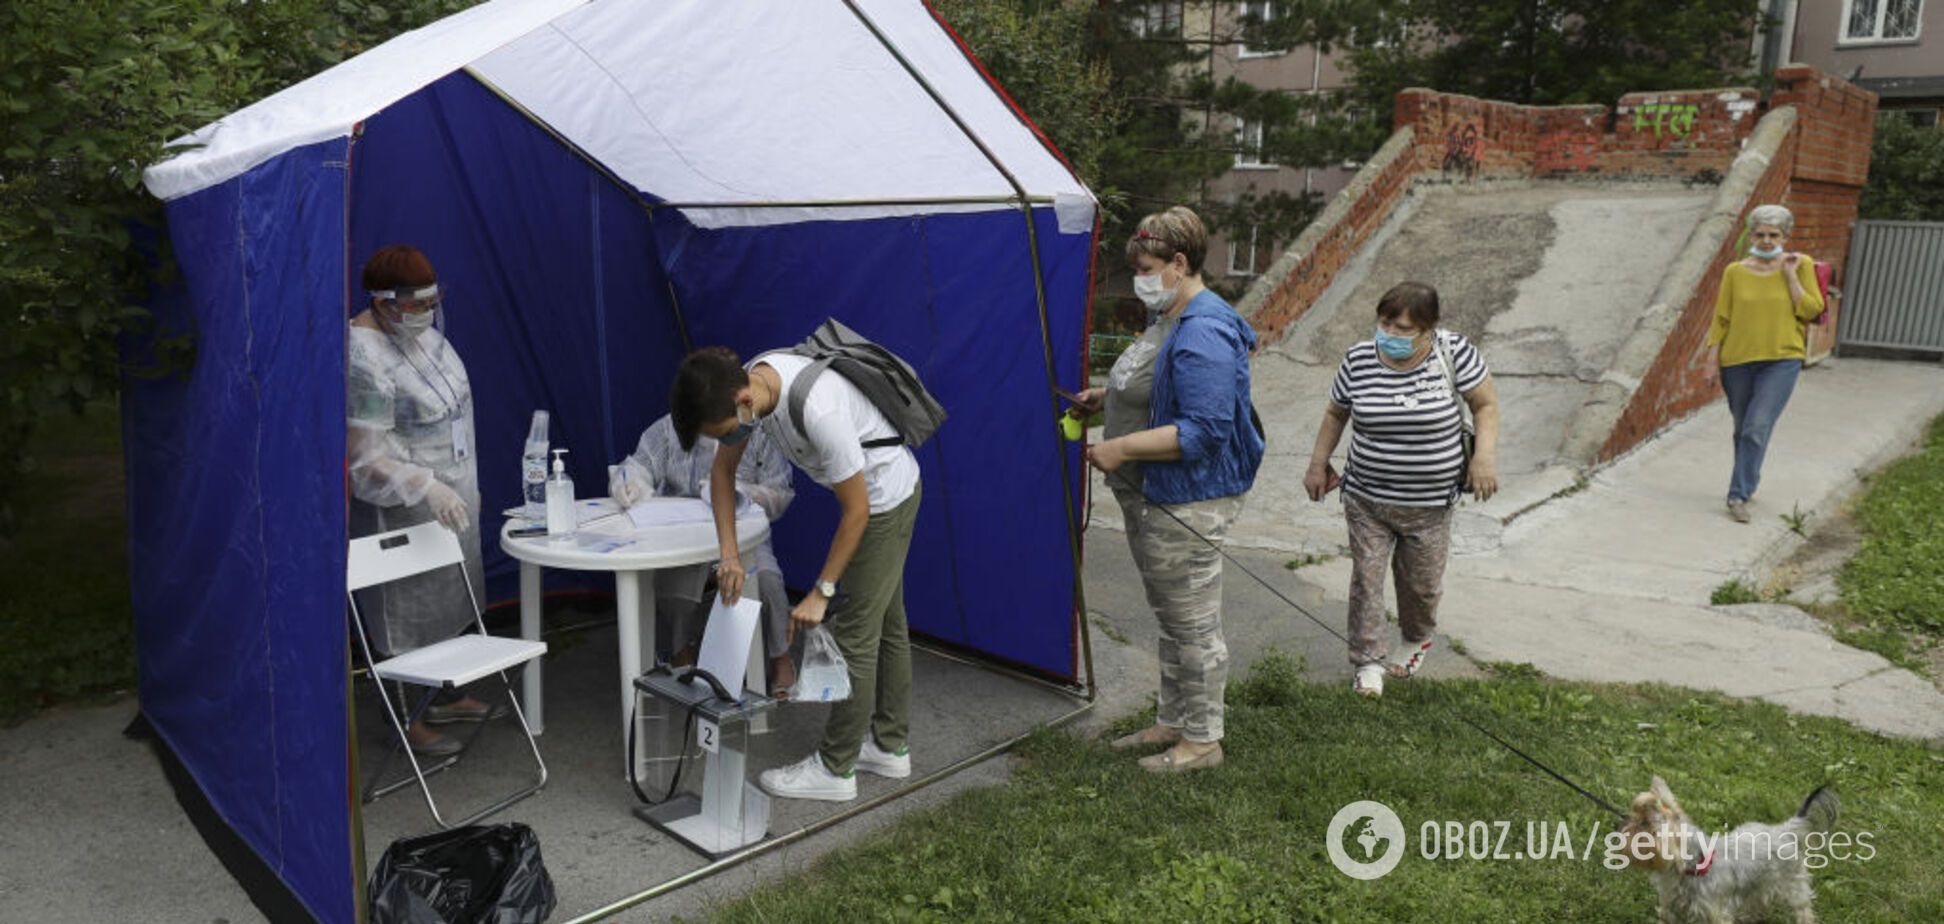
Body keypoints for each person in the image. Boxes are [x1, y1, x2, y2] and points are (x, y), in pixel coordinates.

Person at [671, 344, 922, 802]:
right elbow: (722, 476)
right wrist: (727, 554)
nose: (729, 443)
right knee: (887, 622)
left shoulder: (818, 410)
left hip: (885, 502)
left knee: (855, 634)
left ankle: (835, 768)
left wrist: (821, 592)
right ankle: (889, 745)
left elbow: (858, 511)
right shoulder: (748, 383)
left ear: (745, 403)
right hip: (873, 501)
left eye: (727, 434)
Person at [1081, 206, 1264, 774]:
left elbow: (1205, 431)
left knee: (1192, 622)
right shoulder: (1174, 315)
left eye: (1148, 267)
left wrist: (1121, 448)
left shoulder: (1203, 330)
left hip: (1187, 499)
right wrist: (1106, 400)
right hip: (1153, 494)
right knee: (1171, 616)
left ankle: (1204, 741)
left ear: (1179, 264)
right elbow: (1160, 389)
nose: (1140, 277)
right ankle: (1173, 720)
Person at [1302, 281, 1499, 698]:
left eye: (1402, 328)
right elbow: (1336, 412)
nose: (1389, 334)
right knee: (1367, 580)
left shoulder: (1453, 353)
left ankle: (1416, 636)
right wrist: (1318, 464)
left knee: (1421, 586)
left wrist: (1484, 457)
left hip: (1430, 505)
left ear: (1429, 328)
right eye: (1385, 322)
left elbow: (1484, 405)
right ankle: (1368, 663)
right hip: (1367, 498)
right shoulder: (1358, 359)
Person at [347, 245, 504, 757]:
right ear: (384, 301)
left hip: (453, 499)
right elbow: (364, 459)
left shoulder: (424, 337)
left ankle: (443, 696)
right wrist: (424, 485)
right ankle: (405, 714)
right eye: (413, 305)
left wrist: (456, 486)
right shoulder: (364, 356)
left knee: (451, 603)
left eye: (430, 301)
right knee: (405, 619)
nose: (424, 313)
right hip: (404, 509)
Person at [607, 414, 798, 694]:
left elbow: (780, 493)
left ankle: (780, 656)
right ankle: (682, 649)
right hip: (685, 534)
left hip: (744, 534)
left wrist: (742, 492)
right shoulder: (669, 427)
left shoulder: (756, 432)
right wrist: (630, 483)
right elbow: (638, 465)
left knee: (767, 582)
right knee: (674, 585)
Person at [1700, 204, 1823, 524]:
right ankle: (1748, 481)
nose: (1767, 241)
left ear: (1785, 235)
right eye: (1760, 234)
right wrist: (1712, 360)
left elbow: (1810, 310)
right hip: (1737, 361)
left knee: (1756, 426)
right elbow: (1721, 318)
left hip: (1782, 359)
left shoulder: (1801, 264)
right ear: (1751, 234)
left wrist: (1791, 276)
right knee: (1743, 429)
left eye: (1773, 235)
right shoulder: (1735, 271)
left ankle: (1736, 494)